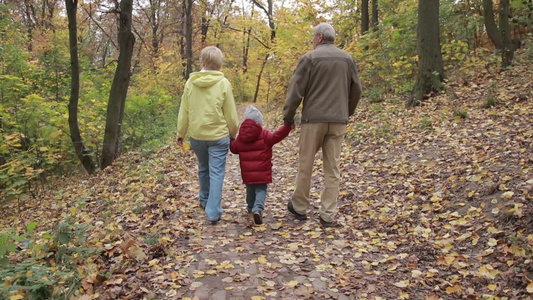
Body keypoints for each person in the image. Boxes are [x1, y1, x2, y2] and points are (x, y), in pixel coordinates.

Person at [283, 23, 363, 227]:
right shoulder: (348, 59)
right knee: (332, 168)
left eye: (312, 36)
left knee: (306, 165)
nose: (312, 39)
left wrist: (288, 116)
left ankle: (300, 208)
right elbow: (357, 89)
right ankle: (328, 213)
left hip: (313, 120)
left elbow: (296, 90)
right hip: (338, 120)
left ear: (319, 37)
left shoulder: (309, 58)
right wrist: (347, 111)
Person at [176, 46, 239, 224]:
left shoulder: (190, 83)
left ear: (202, 63)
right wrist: (234, 133)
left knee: (203, 168)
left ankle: (204, 200)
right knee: (216, 172)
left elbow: (184, 111)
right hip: (218, 136)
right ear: (219, 65)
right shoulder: (223, 83)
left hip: (197, 136)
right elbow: (231, 114)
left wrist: (181, 132)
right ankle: (213, 211)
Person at [230, 105, 292, 225]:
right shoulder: (264, 134)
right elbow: (276, 136)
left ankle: (250, 209)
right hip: (262, 171)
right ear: (259, 122)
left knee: (250, 190)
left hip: (247, 173)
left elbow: (234, 149)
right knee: (261, 189)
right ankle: (257, 209)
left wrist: (231, 139)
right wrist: (287, 127)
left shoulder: (241, 137)